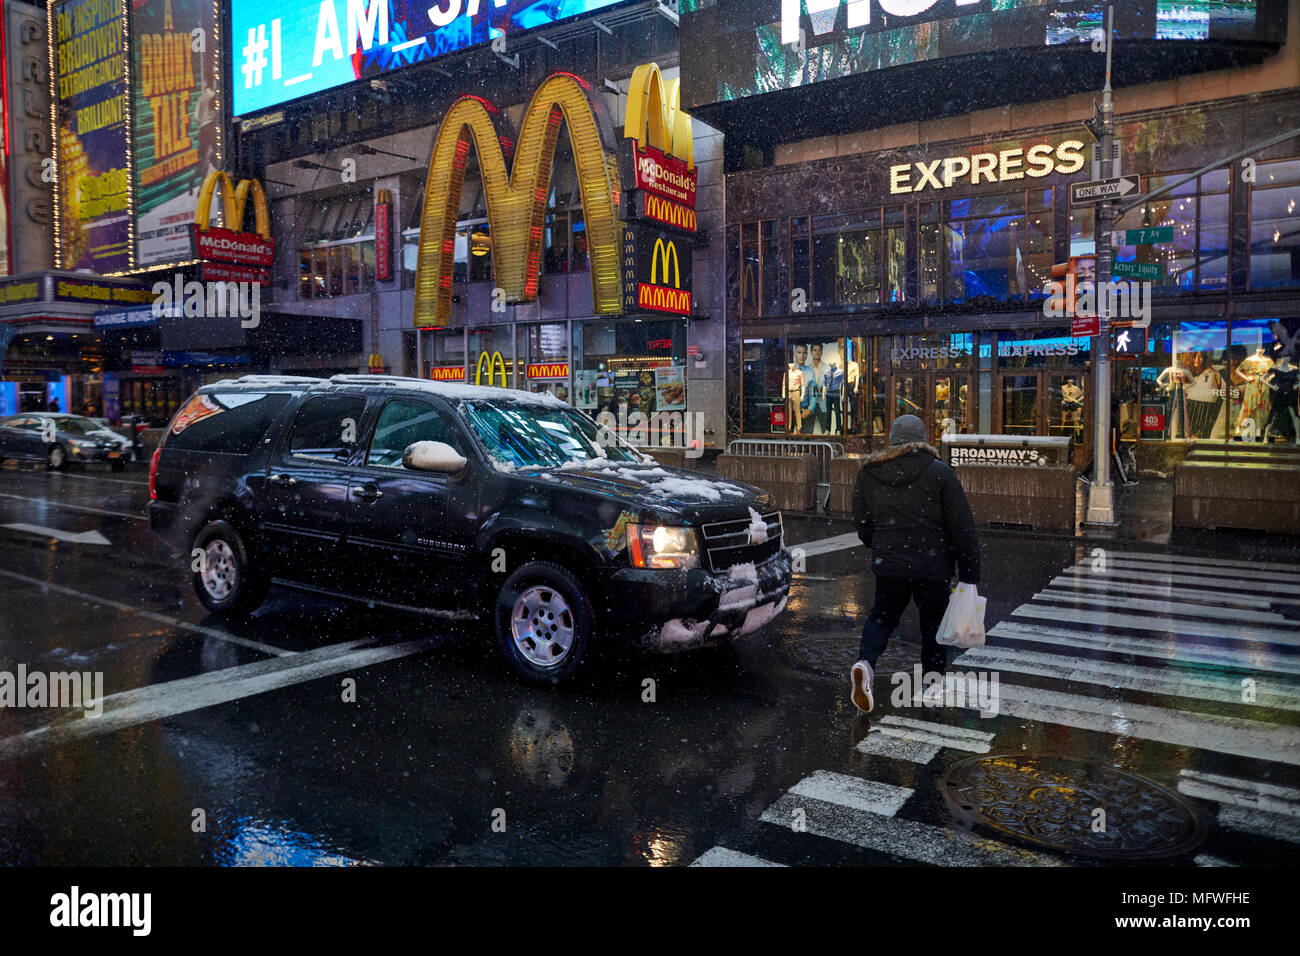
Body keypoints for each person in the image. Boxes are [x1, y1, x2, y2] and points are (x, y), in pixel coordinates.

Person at [849, 414, 981, 714]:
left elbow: (861, 519)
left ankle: (865, 663)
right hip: (933, 567)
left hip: (890, 563)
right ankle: (932, 685)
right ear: (922, 440)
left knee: (882, 616)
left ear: (892, 440)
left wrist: (878, 542)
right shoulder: (940, 473)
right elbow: (962, 526)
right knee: (933, 624)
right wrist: (970, 573)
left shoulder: (869, 473)